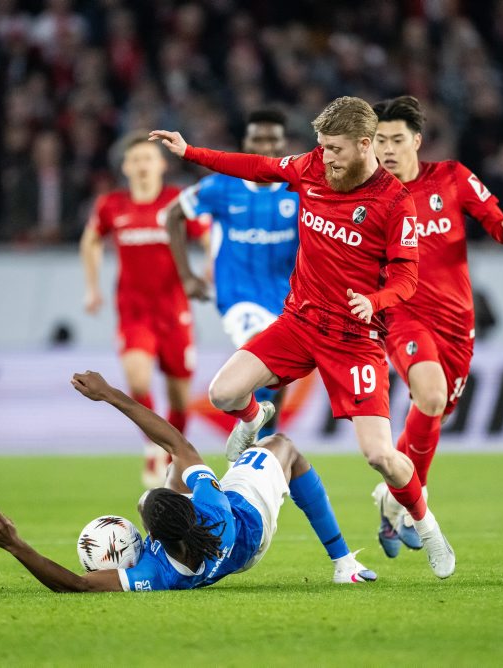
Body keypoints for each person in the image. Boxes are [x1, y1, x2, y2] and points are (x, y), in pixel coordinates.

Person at [151, 96, 455, 579]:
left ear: (363, 144)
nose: (326, 157)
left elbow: (406, 280)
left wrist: (373, 303)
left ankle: (428, 526)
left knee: (380, 456)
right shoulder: (312, 167)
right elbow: (256, 164)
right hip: (299, 322)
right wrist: (190, 152)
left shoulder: (395, 203)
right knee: (223, 392)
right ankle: (255, 417)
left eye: (335, 149)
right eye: (321, 147)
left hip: (353, 339)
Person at [0, 371, 377, 591]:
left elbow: (76, 584)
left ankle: (237, 457)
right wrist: (112, 394)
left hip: (222, 554)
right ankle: (343, 562)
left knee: (153, 490)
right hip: (247, 522)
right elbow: (175, 441)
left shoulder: (156, 574)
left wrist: (15, 545)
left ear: (154, 537)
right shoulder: (211, 506)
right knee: (283, 446)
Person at [368, 96, 503, 556]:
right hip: (401, 316)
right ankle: (416, 506)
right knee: (431, 395)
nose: (389, 150)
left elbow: (497, 223)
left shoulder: (453, 178)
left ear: (417, 140)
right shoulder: (368, 196)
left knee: (434, 411)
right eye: (380, 142)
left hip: (457, 323)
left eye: (397, 140)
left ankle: (393, 503)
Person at [80, 133, 204, 488]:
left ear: (162, 164)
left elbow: (208, 236)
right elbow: (89, 240)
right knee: (138, 380)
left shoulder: (177, 201)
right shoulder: (111, 205)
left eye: (149, 158)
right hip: (134, 313)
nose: (142, 165)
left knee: (180, 399)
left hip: (175, 312)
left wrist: (211, 269)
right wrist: (92, 289)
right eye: (135, 159)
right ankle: (155, 448)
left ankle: (176, 455)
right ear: (126, 167)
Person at [166, 109, 299, 437]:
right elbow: (172, 215)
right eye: (258, 138)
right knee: (264, 353)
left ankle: (262, 445)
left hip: (288, 298)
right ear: (246, 142)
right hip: (238, 295)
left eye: (273, 139)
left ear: (284, 144)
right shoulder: (221, 186)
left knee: (278, 375)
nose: (265, 145)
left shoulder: (300, 188)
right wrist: (187, 276)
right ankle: (253, 431)